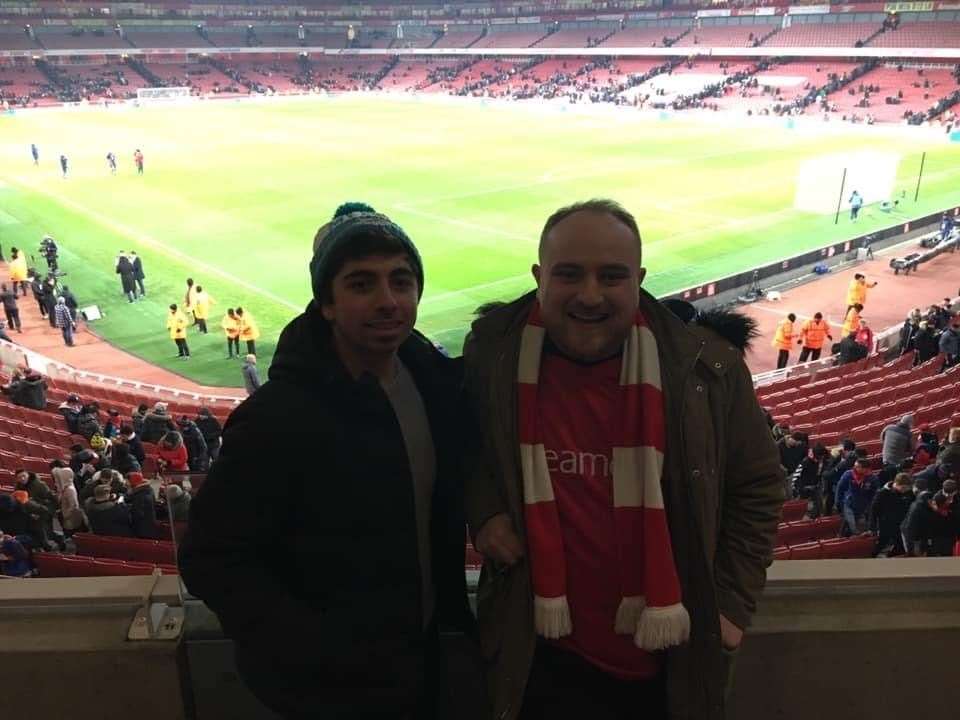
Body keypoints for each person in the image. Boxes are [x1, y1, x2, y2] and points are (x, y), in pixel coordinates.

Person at [462, 199, 784, 720]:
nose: (590, 295)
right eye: (569, 274)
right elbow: (465, 446)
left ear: (640, 279)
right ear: (539, 277)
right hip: (535, 656)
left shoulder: (705, 368)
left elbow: (759, 486)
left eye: (611, 276)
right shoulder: (494, 355)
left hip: (664, 667)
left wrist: (727, 605)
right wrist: (484, 508)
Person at [179, 204, 474, 719]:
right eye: (362, 284)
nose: (388, 301)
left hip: (422, 659)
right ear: (327, 304)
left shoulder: (427, 378)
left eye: (401, 282)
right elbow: (211, 558)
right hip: (327, 691)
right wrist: (318, 652)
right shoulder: (276, 418)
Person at [869, 472, 915, 556]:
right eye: (903, 488)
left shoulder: (908, 492)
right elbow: (873, 510)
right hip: (885, 524)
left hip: (901, 524)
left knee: (900, 546)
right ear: (896, 484)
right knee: (881, 543)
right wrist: (872, 526)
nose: (905, 490)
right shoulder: (882, 493)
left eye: (907, 488)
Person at [835, 458, 879, 536]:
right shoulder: (849, 474)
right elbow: (840, 487)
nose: (854, 468)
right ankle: (844, 536)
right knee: (852, 525)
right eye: (855, 466)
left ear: (865, 469)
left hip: (862, 506)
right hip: (849, 503)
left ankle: (842, 536)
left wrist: (869, 505)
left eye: (858, 466)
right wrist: (838, 501)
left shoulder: (872, 479)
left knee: (849, 522)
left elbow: (874, 493)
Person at [52, 462, 85, 535]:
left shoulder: (70, 490)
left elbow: (74, 506)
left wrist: (65, 515)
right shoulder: (64, 488)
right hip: (66, 516)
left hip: (70, 519)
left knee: (71, 534)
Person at [127, 472, 162, 539]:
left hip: (143, 530)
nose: (126, 484)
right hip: (150, 527)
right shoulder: (147, 490)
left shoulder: (140, 496)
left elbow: (137, 514)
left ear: (133, 483)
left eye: (128, 483)